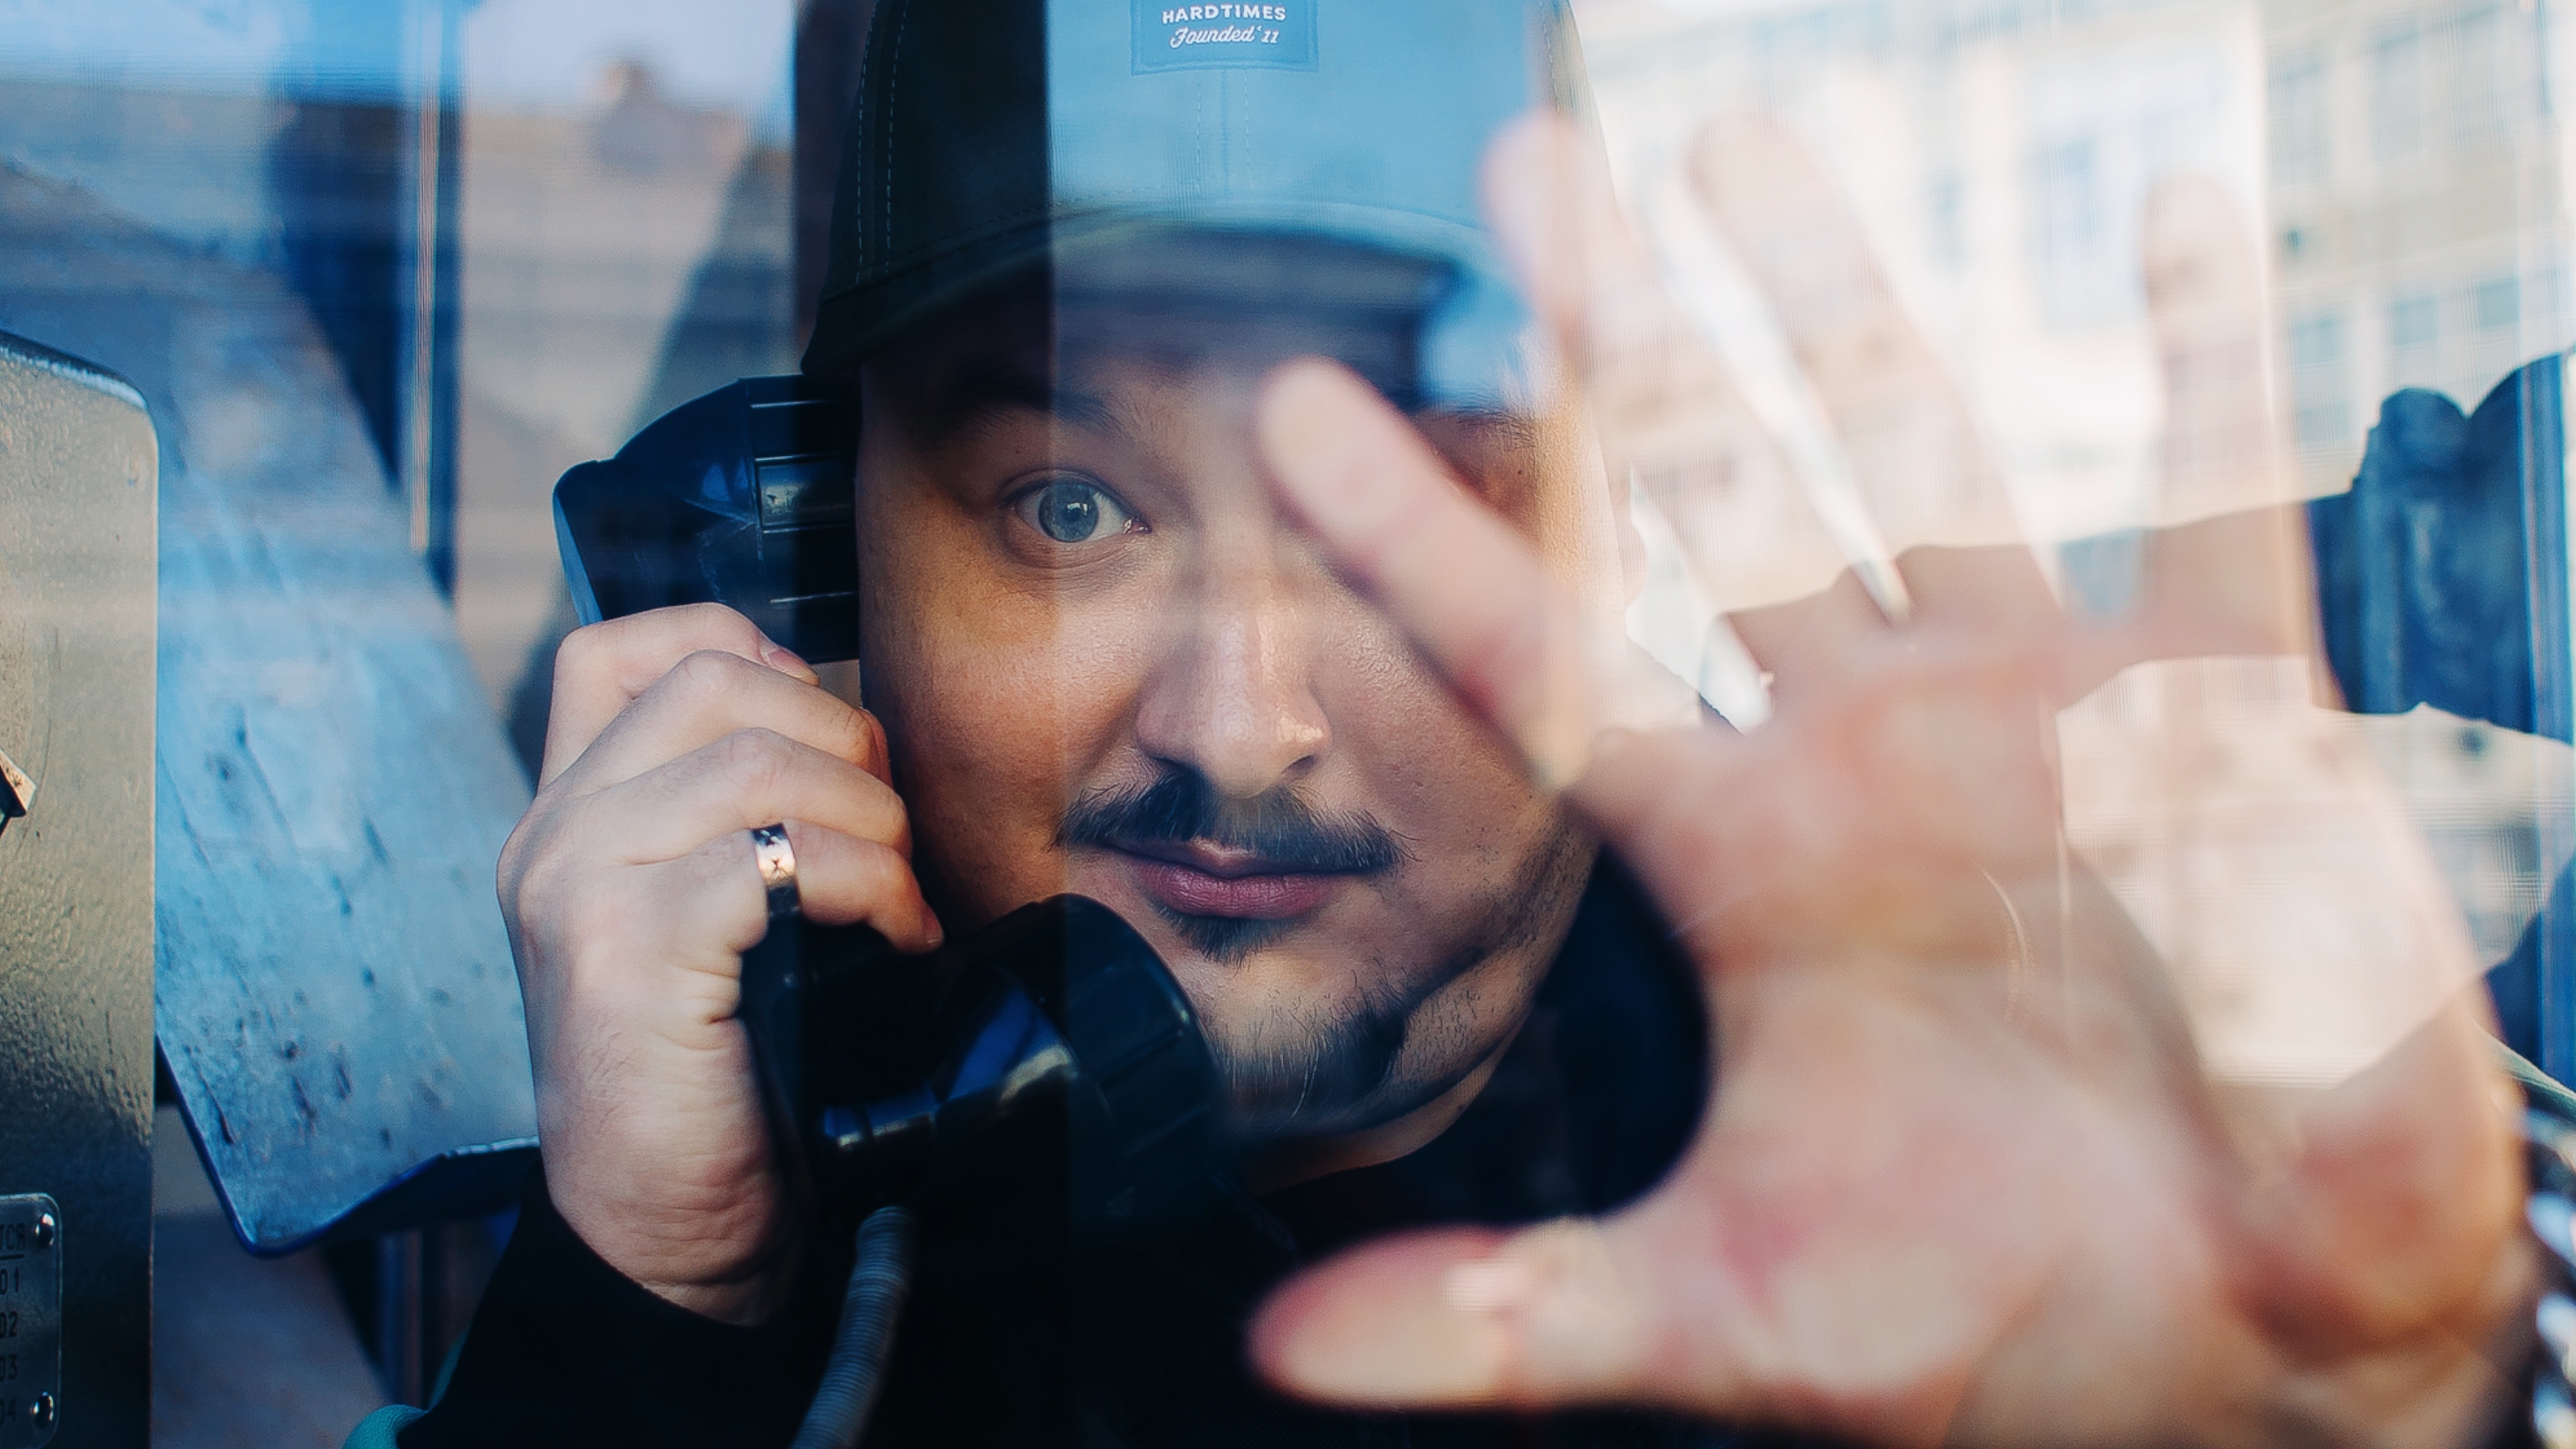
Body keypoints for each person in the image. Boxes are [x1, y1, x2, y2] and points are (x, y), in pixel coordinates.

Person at [355, 1, 2548, 1446]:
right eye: (1066, 508)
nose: (1238, 729)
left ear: (1617, 544)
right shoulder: (769, 1245)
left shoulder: (1959, 1131)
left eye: (1400, 511)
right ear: (818, 572)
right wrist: (634, 1325)